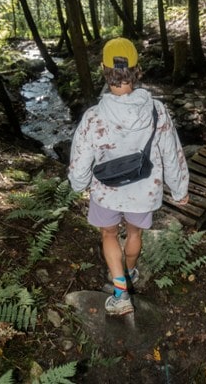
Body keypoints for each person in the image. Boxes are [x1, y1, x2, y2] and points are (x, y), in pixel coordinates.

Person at [68, 37, 189, 316]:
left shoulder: (93, 116)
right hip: (144, 191)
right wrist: (180, 190)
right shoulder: (157, 111)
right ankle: (130, 272)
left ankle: (120, 292)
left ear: (103, 69)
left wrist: (78, 184)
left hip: (106, 192)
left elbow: (80, 158)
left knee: (109, 234)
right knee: (134, 232)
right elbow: (172, 153)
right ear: (137, 70)